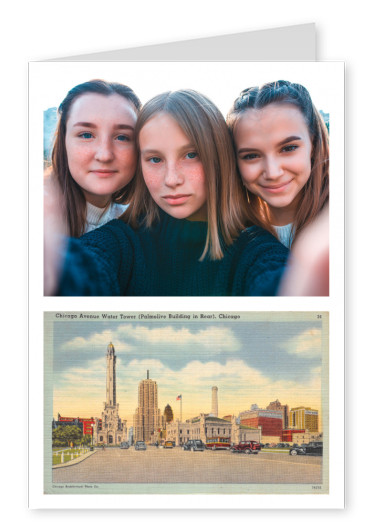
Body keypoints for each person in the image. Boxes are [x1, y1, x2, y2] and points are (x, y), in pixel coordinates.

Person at [48, 89, 289, 296]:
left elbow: (281, 285)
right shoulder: (122, 241)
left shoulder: (257, 252)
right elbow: (84, 268)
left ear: (219, 157)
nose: (171, 179)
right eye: (155, 159)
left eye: (191, 155)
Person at [227, 80, 329, 249]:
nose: (273, 172)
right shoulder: (232, 237)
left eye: (288, 148)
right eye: (251, 155)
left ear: (314, 144)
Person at [47, 79, 141, 237]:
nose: (104, 155)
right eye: (86, 135)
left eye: (122, 137)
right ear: (64, 142)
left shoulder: (141, 226)